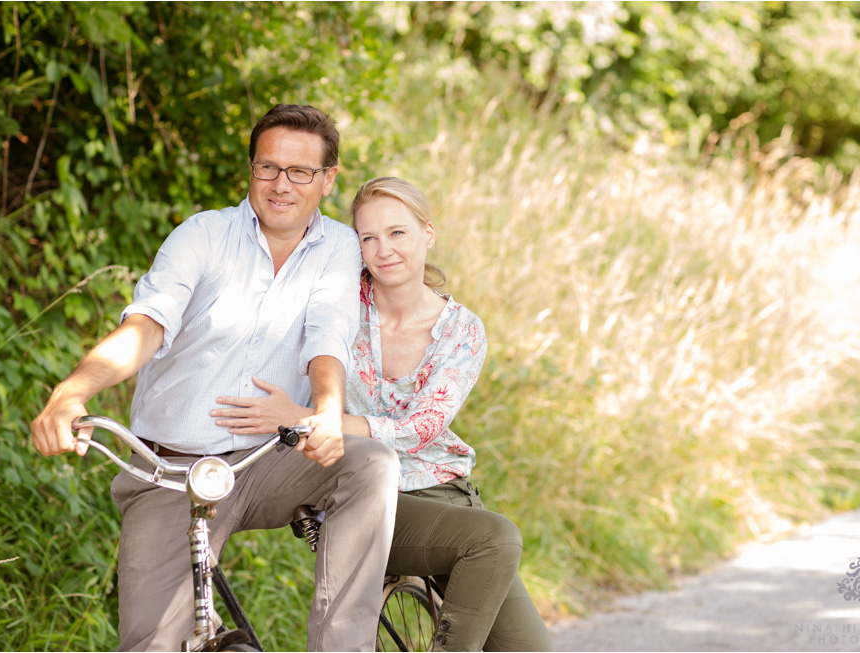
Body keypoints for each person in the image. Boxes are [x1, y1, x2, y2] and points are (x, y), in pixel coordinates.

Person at [31, 105, 400, 652]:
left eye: (300, 172)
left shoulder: (339, 246)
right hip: (172, 469)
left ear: (327, 180)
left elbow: (328, 332)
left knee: (370, 463)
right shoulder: (204, 234)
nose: (281, 185)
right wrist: (72, 393)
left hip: (270, 460)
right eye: (268, 168)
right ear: (250, 170)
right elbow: (147, 325)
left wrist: (325, 408)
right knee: (150, 644)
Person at [212, 177, 554, 651]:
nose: (382, 249)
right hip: (364, 495)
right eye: (367, 238)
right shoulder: (340, 304)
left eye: (397, 233)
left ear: (427, 234)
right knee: (496, 538)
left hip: (445, 495)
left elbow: (421, 429)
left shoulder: (462, 331)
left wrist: (314, 419)